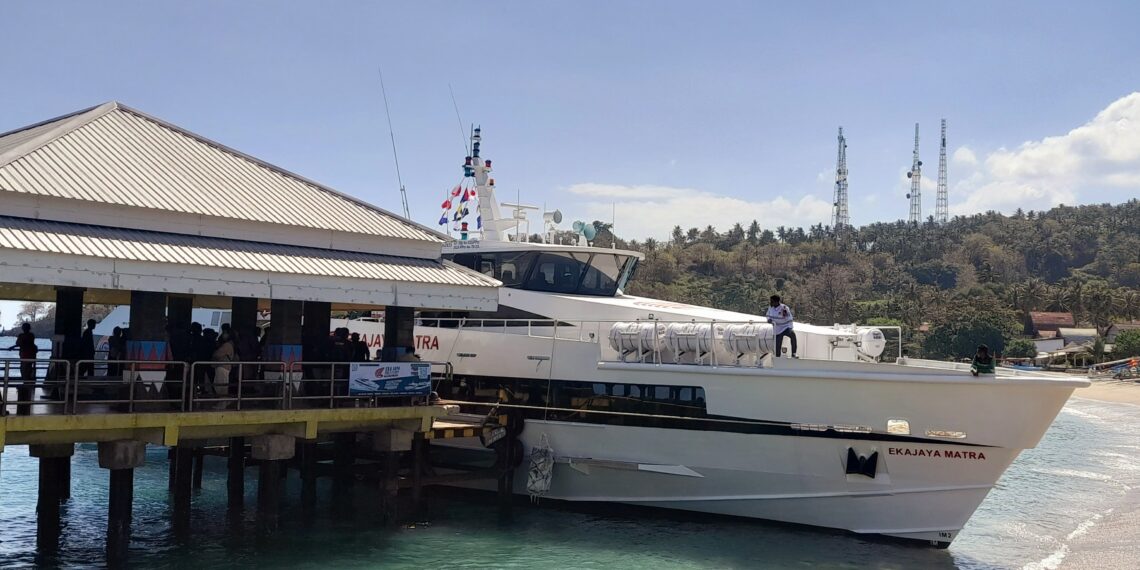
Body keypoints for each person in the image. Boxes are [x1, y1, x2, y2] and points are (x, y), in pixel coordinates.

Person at [6, 322, 38, 415]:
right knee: (27, 370)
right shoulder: (31, 336)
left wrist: (12, 347)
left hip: (25, 355)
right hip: (30, 355)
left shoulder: (23, 336)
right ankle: (27, 385)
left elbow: (19, 343)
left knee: (24, 370)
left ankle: (25, 386)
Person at [212, 330, 235, 401]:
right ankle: (225, 401)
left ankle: (223, 402)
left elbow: (217, 354)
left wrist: (215, 352)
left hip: (223, 366)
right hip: (223, 366)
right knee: (220, 385)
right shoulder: (230, 344)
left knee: (221, 386)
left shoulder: (227, 345)